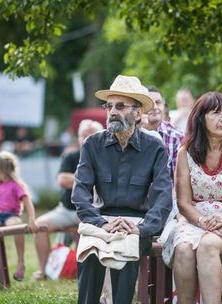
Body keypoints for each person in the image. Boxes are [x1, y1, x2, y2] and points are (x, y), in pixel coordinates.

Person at [71, 75, 172, 304]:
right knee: (89, 253)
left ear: (137, 113)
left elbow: (163, 198)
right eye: (109, 106)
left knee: (126, 250)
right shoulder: (92, 144)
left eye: (120, 106)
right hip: (101, 220)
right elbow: (80, 194)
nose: (112, 112)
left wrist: (143, 228)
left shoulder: (154, 146)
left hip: (136, 224)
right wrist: (101, 223)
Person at [162, 91, 222, 303]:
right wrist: (204, 222)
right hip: (196, 219)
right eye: (215, 113)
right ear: (200, 119)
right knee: (183, 248)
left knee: (208, 245)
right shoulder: (185, 153)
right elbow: (183, 202)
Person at [32, 119, 103, 280]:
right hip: (66, 210)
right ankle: (43, 271)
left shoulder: (105, 157)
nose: (84, 139)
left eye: (89, 135)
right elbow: (62, 180)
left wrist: (78, 180)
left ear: (99, 136)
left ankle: (91, 274)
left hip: (93, 212)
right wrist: (89, 180)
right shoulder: (71, 156)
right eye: (82, 135)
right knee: (39, 226)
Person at [0, 151, 38, 281]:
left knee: (15, 225)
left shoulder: (16, 185)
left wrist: (32, 220)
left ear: (0, 170)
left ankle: (21, 263)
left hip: (12, 214)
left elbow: (28, 203)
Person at [144, 86, 184, 179]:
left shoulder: (176, 136)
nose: (155, 107)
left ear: (164, 106)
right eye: (150, 103)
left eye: (158, 103)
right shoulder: (131, 134)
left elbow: (179, 179)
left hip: (167, 192)